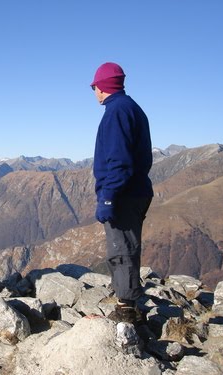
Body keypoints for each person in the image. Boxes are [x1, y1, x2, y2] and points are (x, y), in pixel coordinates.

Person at [90, 62, 153, 324]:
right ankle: (126, 297)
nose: (93, 91)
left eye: (93, 86)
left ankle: (126, 310)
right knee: (126, 245)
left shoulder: (116, 112)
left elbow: (119, 161)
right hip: (135, 191)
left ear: (102, 87)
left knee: (121, 248)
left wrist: (108, 197)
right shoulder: (130, 108)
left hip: (123, 195)